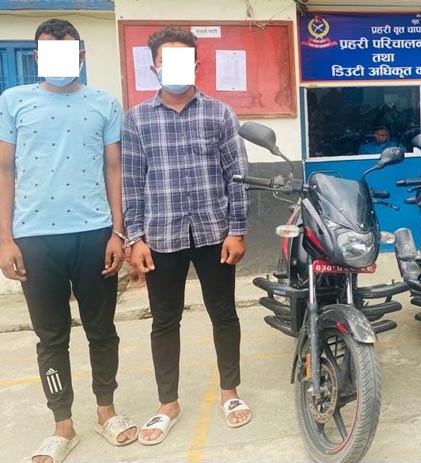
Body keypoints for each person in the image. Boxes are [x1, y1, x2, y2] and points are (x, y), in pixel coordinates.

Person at [0, 18, 137, 463]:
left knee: (102, 330)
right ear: (37, 57)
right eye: (49, 53)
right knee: (51, 337)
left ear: (80, 56)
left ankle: (106, 410)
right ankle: (62, 424)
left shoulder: (104, 103)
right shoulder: (13, 101)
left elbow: (114, 169)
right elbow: (4, 170)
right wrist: (5, 239)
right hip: (35, 238)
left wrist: (118, 232)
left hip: (94, 234)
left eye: (68, 53)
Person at [122, 27, 251, 445]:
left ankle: (229, 391)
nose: (174, 69)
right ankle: (168, 403)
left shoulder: (219, 114)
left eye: (183, 61)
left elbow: (237, 177)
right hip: (161, 235)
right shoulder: (137, 119)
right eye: (166, 62)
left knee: (223, 313)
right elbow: (131, 182)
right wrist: (135, 239)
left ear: (195, 65)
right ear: (154, 67)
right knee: (165, 320)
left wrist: (237, 230)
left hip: (215, 232)